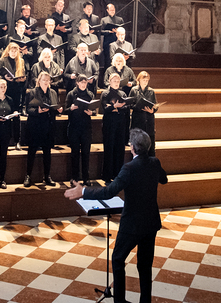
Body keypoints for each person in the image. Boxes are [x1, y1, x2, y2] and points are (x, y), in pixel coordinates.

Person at [64, 128, 168, 303]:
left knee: (118, 259)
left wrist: (84, 191)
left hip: (132, 224)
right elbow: (164, 179)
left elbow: (109, 192)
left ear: (132, 147)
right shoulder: (154, 162)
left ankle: (119, 301)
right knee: (145, 265)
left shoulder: (129, 168)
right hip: (150, 223)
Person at [24, 71, 62, 187]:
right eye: (44, 80)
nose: (46, 82)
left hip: (48, 126)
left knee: (47, 152)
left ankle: (47, 176)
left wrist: (58, 110)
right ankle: (28, 176)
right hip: (35, 125)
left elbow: (55, 106)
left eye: (47, 80)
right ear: (39, 81)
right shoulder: (32, 92)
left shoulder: (53, 93)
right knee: (32, 151)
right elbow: (28, 109)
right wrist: (38, 111)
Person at [0, 41, 28, 149]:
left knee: (16, 116)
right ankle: (2, 141)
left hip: (16, 91)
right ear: (8, 51)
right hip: (5, 91)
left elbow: (23, 75)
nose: (14, 53)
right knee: (4, 115)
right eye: (12, 51)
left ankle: (17, 141)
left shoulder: (21, 61)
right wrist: (4, 78)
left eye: (15, 51)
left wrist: (22, 79)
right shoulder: (2, 60)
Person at [65, 74, 96, 186]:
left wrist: (91, 113)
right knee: (75, 153)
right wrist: (71, 108)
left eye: (85, 82)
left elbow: (94, 110)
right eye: (82, 82)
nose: (84, 84)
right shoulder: (71, 94)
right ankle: (74, 177)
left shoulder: (90, 94)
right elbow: (65, 110)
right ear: (77, 83)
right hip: (74, 127)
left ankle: (86, 178)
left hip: (86, 127)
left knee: (86, 153)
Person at [100, 72, 130, 182]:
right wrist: (114, 106)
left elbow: (127, 107)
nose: (117, 83)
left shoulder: (122, 93)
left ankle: (117, 174)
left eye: (118, 81)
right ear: (109, 82)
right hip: (109, 124)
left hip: (120, 124)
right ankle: (107, 175)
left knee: (119, 149)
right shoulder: (105, 93)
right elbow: (105, 108)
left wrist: (115, 107)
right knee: (109, 149)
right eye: (114, 81)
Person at [129, 71, 158, 155]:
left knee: (150, 146)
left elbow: (155, 105)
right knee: (138, 144)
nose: (145, 82)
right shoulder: (134, 90)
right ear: (139, 80)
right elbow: (130, 104)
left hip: (148, 119)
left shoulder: (151, 91)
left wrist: (153, 110)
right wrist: (138, 106)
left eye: (147, 80)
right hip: (138, 118)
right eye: (144, 80)